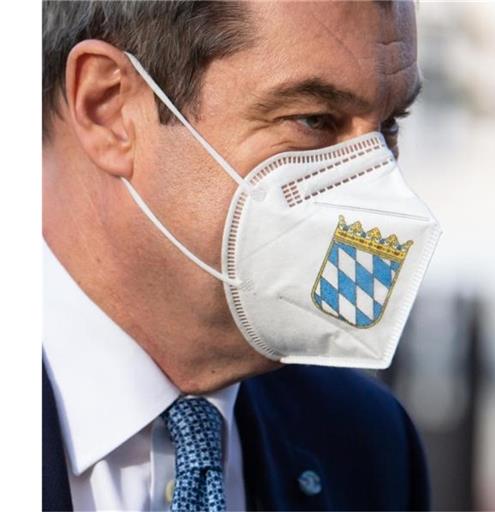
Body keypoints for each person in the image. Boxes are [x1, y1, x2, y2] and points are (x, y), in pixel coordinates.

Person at [42, 1, 436, 510]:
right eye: (314, 120)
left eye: (389, 126)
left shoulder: (366, 446)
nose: (373, 183)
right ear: (110, 107)